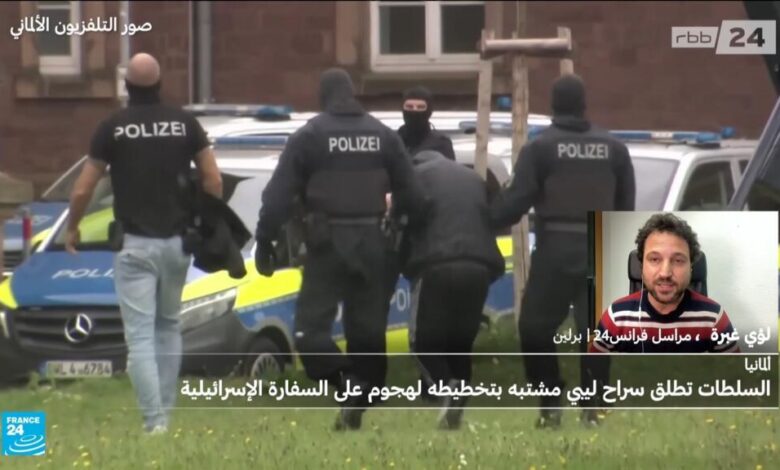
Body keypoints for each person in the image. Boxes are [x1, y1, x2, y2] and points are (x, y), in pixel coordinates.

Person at [255, 68, 427, 431]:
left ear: (324, 96)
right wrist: (399, 229)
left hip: (327, 244)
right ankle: (361, 398)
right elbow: (413, 195)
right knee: (367, 331)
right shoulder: (382, 135)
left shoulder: (311, 135)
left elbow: (277, 197)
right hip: (374, 242)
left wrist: (265, 239)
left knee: (309, 331)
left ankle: (347, 384)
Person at [65, 53, 222, 434]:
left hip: (135, 246)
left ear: (127, 87)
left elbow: (83, 188)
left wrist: (72, 227)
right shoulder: (185, 123)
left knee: (139, 339)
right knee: (168, 327)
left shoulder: (113, 127)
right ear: (160, 84)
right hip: (177, 245)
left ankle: (155, 424)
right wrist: (208, 223)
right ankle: (164, 416)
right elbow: (213, 179)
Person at [490, 74, 636, 429]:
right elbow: (626, 206)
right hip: (600, 245)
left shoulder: (541, 148)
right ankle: (593, 409)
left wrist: (484, 217)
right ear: (583, 104)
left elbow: (516, 202)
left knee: (534, 327)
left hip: (555, 247)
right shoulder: (614, 148)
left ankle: (551, 403)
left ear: (554, 105)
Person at [400, 150, 505, 430]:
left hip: (436, 264)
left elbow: (403, 222)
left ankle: (447, 389)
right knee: (459, 343)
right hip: (480, 267)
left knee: (422, 343)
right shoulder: (473, 178)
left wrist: (402, 262)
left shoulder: (413, 178)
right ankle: (455, 409)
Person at [591, 213, 739, 353]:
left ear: (691, 267)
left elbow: (736, 370)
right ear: (642, 266)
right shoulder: (616, 318)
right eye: (655, 259)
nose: (665, 273)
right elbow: (593, 368)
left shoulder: (713, 318)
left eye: (678, 260)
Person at [397, 86, 456, 160]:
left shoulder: (441, 143)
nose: (414, 111)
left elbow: (449, 166)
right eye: (409, 107)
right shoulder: (392, 141)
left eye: (420, 107)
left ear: (429, 111)